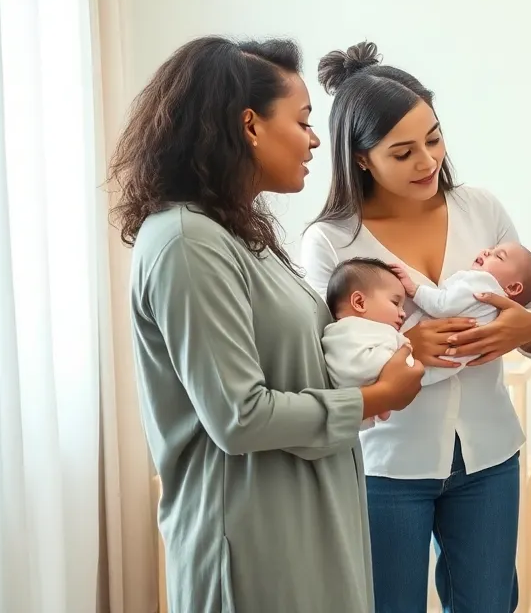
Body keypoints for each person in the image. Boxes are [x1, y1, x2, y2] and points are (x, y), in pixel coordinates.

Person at [109, 37, 425, 613]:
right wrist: (374, 397)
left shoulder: (236, 235)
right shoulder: (187, 242)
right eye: (303, 121)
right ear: (249, 125)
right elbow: (238, 415)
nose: (312, 140)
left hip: (299, 522)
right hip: (253, 537)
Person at [300, 41, 531, 613]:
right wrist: (405, 348)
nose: (428, 162)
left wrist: (526, 331)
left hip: (488, 455)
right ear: (361, 158)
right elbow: (326, 362)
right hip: (385, 464)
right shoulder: (330, 242)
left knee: (491, 605)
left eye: (434, 139)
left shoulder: (480, 208)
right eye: (403, 151)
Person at [320, 242, 531, 418]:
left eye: (498, 255)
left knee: (404, 374)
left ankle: (380, 399)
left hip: (455, 379)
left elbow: (442, 304)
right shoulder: (328, 240)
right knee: (417, 375)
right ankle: (381, 400)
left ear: (514, 287)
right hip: (451, 365)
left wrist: (415, 290)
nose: (487, 251)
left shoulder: (482, 283)